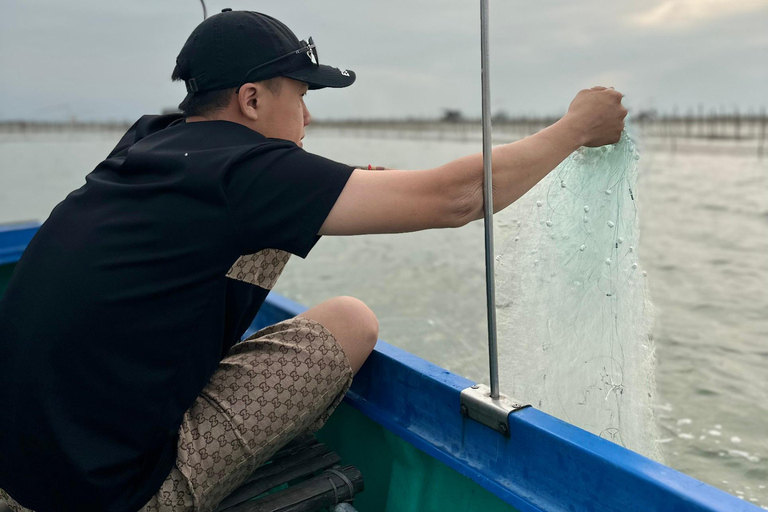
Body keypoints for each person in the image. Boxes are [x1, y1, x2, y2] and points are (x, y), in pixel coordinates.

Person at [0, 9, 627, 512]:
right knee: (350, 320)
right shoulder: (243, 172)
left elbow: (251, 204)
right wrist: (574, 128)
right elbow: (457, 198)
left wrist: (348, 187)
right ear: (250, 99)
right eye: (300, 95)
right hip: (108, 495)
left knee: (268, 238)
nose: (308, 116)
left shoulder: (148, 147)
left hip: (19, 468)